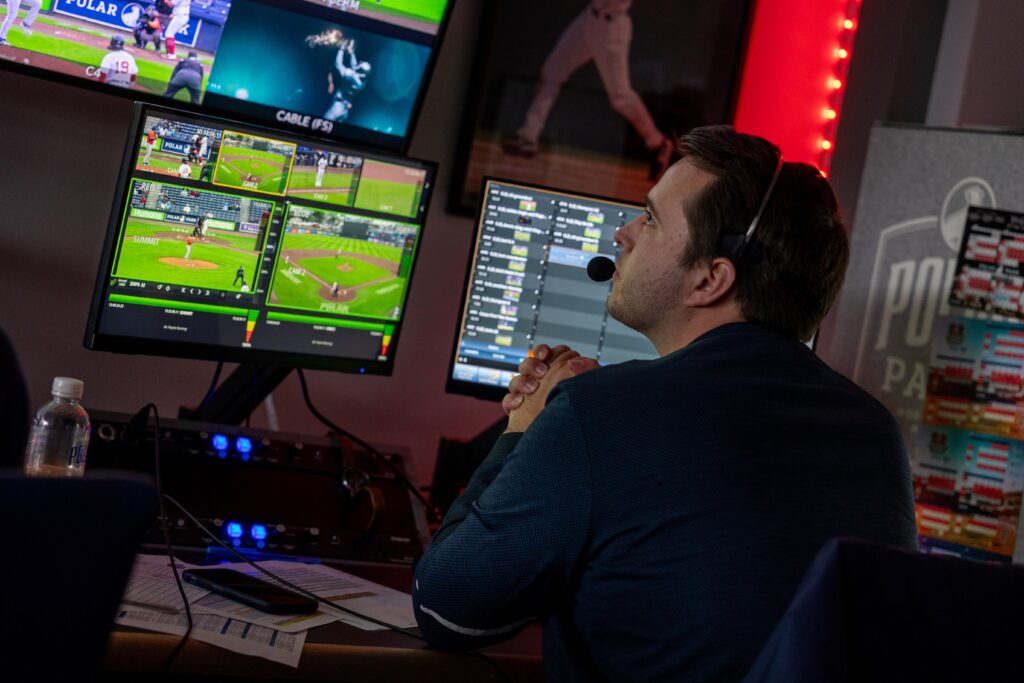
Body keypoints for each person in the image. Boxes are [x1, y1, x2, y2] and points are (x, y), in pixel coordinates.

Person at [412, 126, 918, 682]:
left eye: (650, 219)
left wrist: (524, 426)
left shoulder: (599, 412)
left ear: (709, 280)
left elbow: (446, 611)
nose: (624, 232)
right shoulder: (875, 434)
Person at [502, 0, 674, 179]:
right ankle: (529, 136)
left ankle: (657, 143)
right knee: (551, 72)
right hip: (588, 20)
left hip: (611, 28)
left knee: (620, 97)